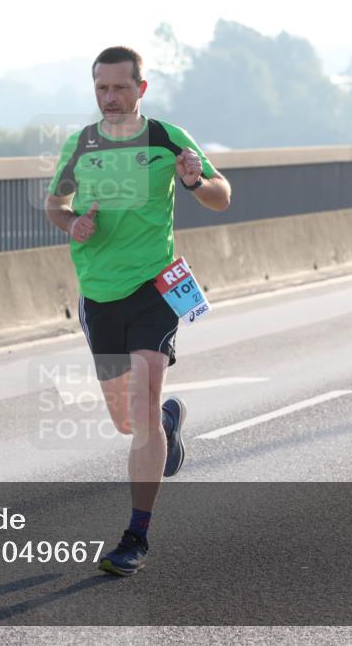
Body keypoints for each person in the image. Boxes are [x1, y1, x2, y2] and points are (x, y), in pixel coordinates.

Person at [44, 46, 232, 576]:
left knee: (143, 405)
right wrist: (73, 224)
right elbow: (56, 205)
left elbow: (221, 195)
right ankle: (168, 425)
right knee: (128, 421)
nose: (110, 97)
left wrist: (194, 181)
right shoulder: (81, 145)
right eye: (101, 88)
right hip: (99, 294)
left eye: (120, 87)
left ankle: (136, 536)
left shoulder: (166, 138)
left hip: (155, 287)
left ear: (141, 89)